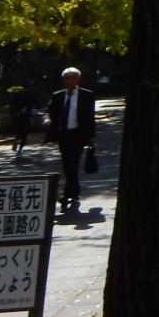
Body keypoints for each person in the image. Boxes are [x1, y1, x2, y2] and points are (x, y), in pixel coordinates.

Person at [45, 67, 96, 213]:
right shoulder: (58, 96)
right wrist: (47, 121)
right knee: (67, 164)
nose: (69, 81)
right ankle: (74, 193)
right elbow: (50, 112)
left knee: (73, 162)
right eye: (67, 78)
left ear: (78, 79)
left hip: (78, 134)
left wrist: (90, 137)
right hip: (63, 134)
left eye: (72, 78)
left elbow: (90, 117)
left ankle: (67, 195)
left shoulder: (87, 95)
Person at [8, 84, 39, 155]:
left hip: (17, 116)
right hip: (26, 116)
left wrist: (13, 114)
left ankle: (16, 139)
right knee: (25, 133)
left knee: (18, 131)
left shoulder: (17, 94)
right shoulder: (32, 95)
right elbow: (38, 104)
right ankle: (20, 148)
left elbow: (11, 104)